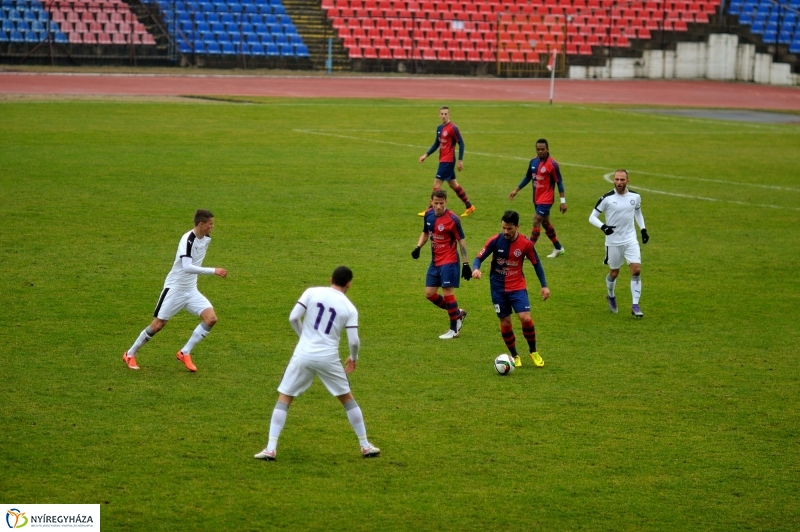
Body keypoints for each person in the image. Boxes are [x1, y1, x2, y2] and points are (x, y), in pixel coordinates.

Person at [254, 266, 380, 461]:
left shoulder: (311, 292)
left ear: (330, 278)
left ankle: (270, 448)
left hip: (303, 353)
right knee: (347, 399)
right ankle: (364, 445)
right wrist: (353, 358)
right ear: (349, 284)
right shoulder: (349, 308)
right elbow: (354, 341)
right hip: (329, 357)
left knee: (285, 397)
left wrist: (304, 336)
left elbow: (293, 317)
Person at [123, 209, 228, 372]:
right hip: (175, 288)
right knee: (158, 325)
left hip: (191, 290)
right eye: (210, 224)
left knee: (211, 318)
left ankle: (184, 352)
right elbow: (186, 267)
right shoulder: (187, 240)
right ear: (201, 224)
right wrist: (213, 270)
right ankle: (130, 354)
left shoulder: (206, 238)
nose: (212, 227)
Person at [471, 210, 550, 368]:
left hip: (517, 287)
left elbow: (537, 264)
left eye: (509, 229)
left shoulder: (525, 244)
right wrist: (476, 269)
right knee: (505, 321)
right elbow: (478, 257)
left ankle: (533, 351)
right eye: (504, 228)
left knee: (525, 318)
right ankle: (514, 355)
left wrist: (544, 285)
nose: (505, 232)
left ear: (517, 227)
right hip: (498, 289)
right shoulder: (495, 241)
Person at [588, 169, 649, 318]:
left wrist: (643, 229)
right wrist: (603, 227)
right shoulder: (607, 198)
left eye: (622, 180)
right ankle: (611, 295)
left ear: (627, 181)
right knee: (614, 273)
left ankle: (635, 305)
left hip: (630, 239)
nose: (619, 182)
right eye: (616, 179)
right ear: (613, 180)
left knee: (636, 270)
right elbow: (592, 217)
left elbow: (637, 212)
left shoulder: (635, 196)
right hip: (613, 242)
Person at [411, 189, 471, 339]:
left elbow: (461, 241)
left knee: (447, 293)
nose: (438, 206)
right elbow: (426, 232)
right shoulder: (428, 214)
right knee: (430, 294)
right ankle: (457, 313)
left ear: (446, 202)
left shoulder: (453, 219)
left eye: (441, 203)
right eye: (436, 203)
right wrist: (418, 247)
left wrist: (465, 264)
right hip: (435, 261)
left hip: (449, 261)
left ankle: (454, 330)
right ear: (431, 202)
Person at [509, 138, 567, 258]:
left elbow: (559, 182)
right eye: (538, 149)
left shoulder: (552, 164)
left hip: (547, 199)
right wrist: (516, 190)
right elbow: (527, 177)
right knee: (545, 223)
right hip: (536, 199)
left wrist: (563, 201)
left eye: (543, 149)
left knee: (536, 220)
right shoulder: (533, 162)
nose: (540, 151)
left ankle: (528, 250)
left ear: (547, 149)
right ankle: (558, 248)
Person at [418, 106, 475, 218]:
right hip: (443, 160)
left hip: (448, 160)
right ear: (439, 115)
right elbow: (436, 144)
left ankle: (430, 210)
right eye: (442, 114)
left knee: (436, 185)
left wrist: (460, 160)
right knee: (453, 184)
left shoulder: (453, 128)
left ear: (449, 115)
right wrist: (426, 155)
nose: (443, 116)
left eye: (445, 114)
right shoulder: (439, 128)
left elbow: (461, 143)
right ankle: (469, 206)